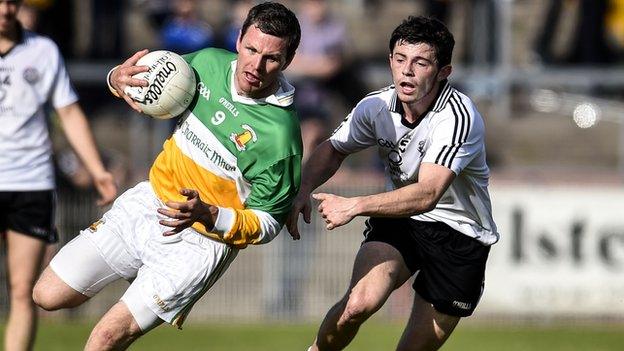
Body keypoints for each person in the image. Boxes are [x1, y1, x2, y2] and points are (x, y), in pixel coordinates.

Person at [32, 2, 302, 350]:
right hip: (148, 204)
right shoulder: (207, 63)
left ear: (287, 61)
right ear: (238, 40)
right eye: (251, 49)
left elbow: (267, 223)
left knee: (105, 337)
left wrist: (208, 214)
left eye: (271, 58)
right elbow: (147, 80)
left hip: (199, 244)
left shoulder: (281, 139)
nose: (256, 65)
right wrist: (116, 78)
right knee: (47, 294)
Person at [288, 16, 499, 351]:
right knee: (356, 305)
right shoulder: (376, 106)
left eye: (420, 63)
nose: (407, 71)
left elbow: (428, 193)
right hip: (402, 220)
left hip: (461, 235)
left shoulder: (457, 117)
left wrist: (355, 205)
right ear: (390, 62)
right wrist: (302, 189)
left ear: (443, 71)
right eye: (400, 60)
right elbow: (332, 148)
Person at [0, 1, 118, 350]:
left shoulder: (43, 50)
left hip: (31, 182)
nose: (5, 9)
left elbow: (68, 113)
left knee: (23, 290)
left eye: (11, 2)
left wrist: (97, 170)